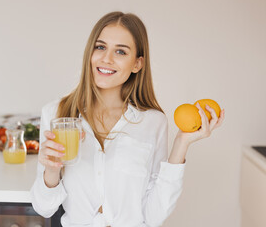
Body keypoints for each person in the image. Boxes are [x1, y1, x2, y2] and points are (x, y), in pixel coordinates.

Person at [30, 11, 225, 227]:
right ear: (90, 53)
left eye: (121, 51)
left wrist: (181, 144)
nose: (106, 58)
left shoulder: (152, 122)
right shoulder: (58, 114)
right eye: (100, 47)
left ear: (137, 64)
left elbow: (153, 216)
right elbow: (44, 207)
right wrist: (52, 169)